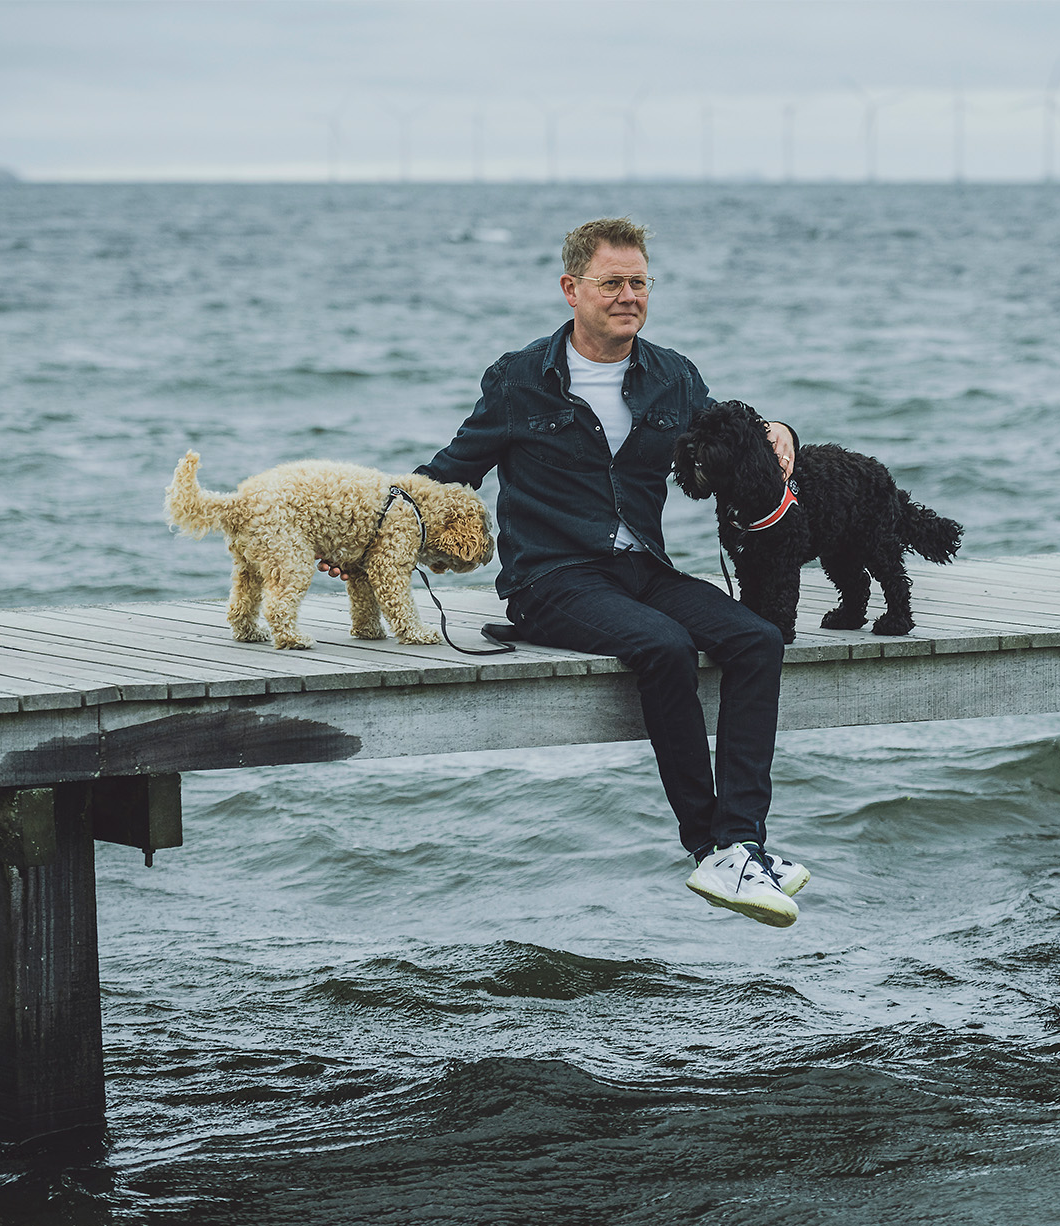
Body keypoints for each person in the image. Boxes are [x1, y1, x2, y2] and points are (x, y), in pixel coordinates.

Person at [330, 217, 808, 927]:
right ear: (571, 289)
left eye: (639, 282)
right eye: (611, 283)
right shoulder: (521, 379)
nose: (628, 296)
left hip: (642, 568)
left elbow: (733, 437)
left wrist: (783, 432)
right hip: (550, 579)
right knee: (664, 646)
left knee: (756, 640)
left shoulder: (673, 376)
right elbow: (448, 473)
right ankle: (708, 847)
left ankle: (742, 843)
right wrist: (364, 534)